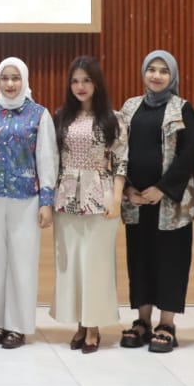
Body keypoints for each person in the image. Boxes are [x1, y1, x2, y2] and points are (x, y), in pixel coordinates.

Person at [0, 57, 57, 350]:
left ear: (25, 80)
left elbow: (47, 158)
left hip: (26, 199)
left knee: (22, 262)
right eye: (5, 78)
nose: (10, 84)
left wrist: (46, 201)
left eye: (15, 78)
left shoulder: (39, 115)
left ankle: (17, 326)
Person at [118, 50, 194, 354]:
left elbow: (188, 154)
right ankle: (142, 321)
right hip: (136, 202)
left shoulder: (182, 109)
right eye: (151, 69)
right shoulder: (130, 107)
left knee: (171, 261)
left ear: (172, 76)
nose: (156, 75)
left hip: (170, 204)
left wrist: (162, 189)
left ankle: (166, 324)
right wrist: (127, 189)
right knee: (140, 261)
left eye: (164, 71)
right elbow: (118, 148)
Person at [51, 57, 126, 354]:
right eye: (75, 81)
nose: (80, 86)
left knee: (96, 263)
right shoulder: (61, 117)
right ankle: (80, 323)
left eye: (86, 80)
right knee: (71, 264)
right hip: (66, 197)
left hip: (101, 196)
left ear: (97, 83)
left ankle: (94, 326)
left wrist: (116, 199)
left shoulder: (113, 119)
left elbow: (121, 161)